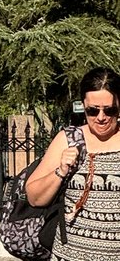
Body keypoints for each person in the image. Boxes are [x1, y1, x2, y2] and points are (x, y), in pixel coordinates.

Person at [26, 67, 120, 258]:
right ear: (83, 105)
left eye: (109, 110)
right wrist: (61, 171)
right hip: (70, 255)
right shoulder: (69, 139)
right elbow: (34, 197)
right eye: (92, 111)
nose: (101, 118)